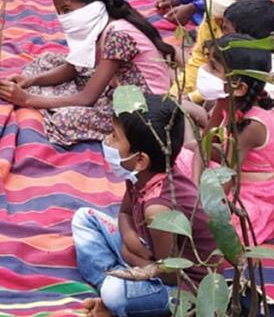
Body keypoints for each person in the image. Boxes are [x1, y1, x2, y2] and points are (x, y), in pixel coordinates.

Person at [0, 0, 174, 146]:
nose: (63, 18)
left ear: (93, 5)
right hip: (120, 91)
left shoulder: (117, 35)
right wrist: (30, 81)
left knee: (65, 120)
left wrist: (27, 99)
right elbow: (73, 67)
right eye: (59, 12)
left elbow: (87, 98)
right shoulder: (100, 27)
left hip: (142, 109)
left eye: (67, 10)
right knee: (49, 60)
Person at [72, 94, 216, 316]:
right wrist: (128, 237)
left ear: (140, 159)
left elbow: (171, 271)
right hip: (146, 253)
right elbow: (125, 213)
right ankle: (115, 284)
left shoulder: (157, 209)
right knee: (84, 218)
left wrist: (128, 254)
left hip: (181, 285)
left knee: (114, 292)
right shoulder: (140, 175)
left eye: (114, 137)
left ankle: (112, 294)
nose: (107, 141)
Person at [197, 34, 274, 244]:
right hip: (237, 169)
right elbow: (203, 145)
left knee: (215, 229)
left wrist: (195, 204)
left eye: (214, 68)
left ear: (239, 87)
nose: (205, 71)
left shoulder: (252, 126)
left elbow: (227, 182)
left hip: (261, 191)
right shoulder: (225, 102)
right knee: (184, 153)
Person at [163, 0, 264, 101]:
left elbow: (234, 80)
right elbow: (198, 58)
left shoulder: (247, 31)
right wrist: (177, 93)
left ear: (245, 1)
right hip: (208, 77)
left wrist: (192, 98)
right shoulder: (212, 17)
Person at [221, 0, 274, 153]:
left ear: (245, 40)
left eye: (226, 31)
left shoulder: (271, 86)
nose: (221, 38)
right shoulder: (247, 68)